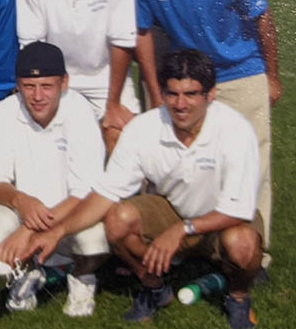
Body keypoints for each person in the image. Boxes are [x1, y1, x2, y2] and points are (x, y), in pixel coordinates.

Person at [25, 50, 264, 328]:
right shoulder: (144, 129)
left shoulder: (235, 130)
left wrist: (182, 229)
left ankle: (237, 296)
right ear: (161, 94)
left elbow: (238, 210)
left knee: (243, 244)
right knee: (117, 219)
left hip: (223, 220)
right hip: (173, 209)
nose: (180, 104)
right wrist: (59, 231)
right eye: (172, 94)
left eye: (191, 94)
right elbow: (105, 195)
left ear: (211, 95)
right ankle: (155, 287)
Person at [134, 0, 279, 249]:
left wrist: (272, 77)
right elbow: (144, 32)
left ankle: (254, 250)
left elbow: (263, 17)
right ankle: (182, 244)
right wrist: (155, 92)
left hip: (241, 69)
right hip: (190, 78)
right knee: (181, 162)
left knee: (253, 163)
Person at [0, 42, 107, 316]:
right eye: (29, 86)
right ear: (17, 85)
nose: (37, 96)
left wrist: (29, 229)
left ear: (64, 83)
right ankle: (27, 272)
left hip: (70, 216)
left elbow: (85, 192)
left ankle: (82, 276)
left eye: (47, 86)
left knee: (95, 236)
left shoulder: (81, 113)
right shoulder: (3, 114)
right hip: (24, 212)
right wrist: (19, 199)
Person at [16, 0, 138, 151]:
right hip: (55, 77)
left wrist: (113, 104)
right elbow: (33, 46)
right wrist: (51, 92)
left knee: (123, 135)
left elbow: (122, 41)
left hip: (105, 77)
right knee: (49, 142)